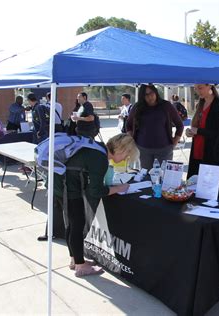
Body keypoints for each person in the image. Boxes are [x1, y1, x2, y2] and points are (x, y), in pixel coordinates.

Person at [66, 133, 139, 277]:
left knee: (73, 224)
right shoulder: (100, 158)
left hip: (66, 185)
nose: (125, 159)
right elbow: (96, 191)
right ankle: (80, 266)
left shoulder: (98, 149)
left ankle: (75, 259)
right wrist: (119, 188)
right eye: (127, 156)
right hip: (70, 188)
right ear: (122, 150)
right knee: (77, 225)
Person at [126, 84, 184, 170]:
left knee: (164, 178)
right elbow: (128, 125)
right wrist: (133, 141)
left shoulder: (166, 106)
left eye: (152, 92)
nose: (150, 96)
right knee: (146, 178)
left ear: (156, 92)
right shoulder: (137, 107)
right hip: (143, 150)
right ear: (142, 96)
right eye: (146, 94)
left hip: (164, 149)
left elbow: (180, 125)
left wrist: (174, 143)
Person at [185, 84, 219, 178]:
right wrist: (189, 131)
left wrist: (198, 131)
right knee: (193, 185)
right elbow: (196, 127)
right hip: (197, 151)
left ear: (210, 86)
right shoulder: (200, 104)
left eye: (200, 88)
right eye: (195, 88)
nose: (198, 91)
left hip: (210, 154)